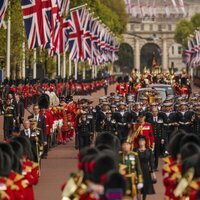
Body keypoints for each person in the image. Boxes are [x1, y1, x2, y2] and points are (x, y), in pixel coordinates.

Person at [134, 135, 156, 200]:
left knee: (145, 187)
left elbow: (152, 163)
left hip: (146, 170)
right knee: (138, 187)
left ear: (145, 142)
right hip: (137, 170)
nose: (141, 142)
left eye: (142, 141)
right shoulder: (135, 150)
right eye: (139, 141)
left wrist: (153, 173)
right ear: (138, 142)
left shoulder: (149, 151)